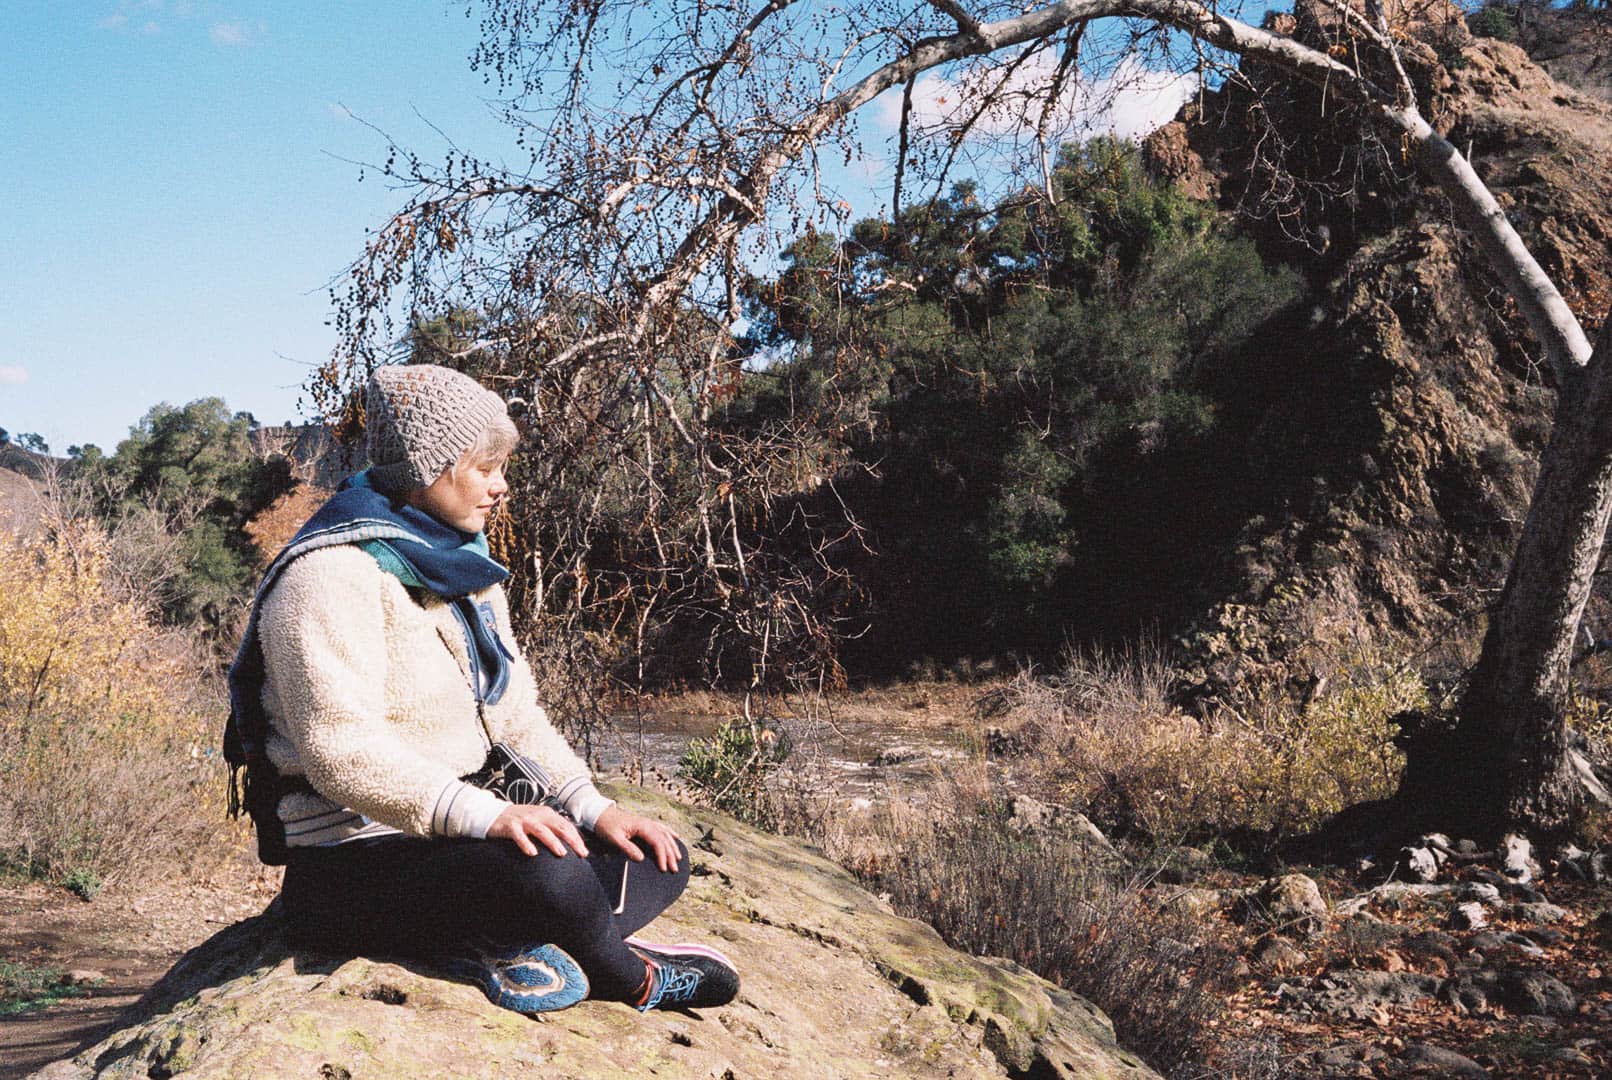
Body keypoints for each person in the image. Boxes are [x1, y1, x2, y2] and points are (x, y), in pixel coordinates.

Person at [226, 363, 739, 1014]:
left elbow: (515, 719)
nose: (501, 488)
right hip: (353, 863)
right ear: (430, 468)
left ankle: (493, 942)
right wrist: (492, 816)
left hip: (452, 844)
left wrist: (594, 808)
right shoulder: (327, 577)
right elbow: (341, 755)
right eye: (485, 467)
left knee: (658, 857)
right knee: (552, 876)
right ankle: (629, 976)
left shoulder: (462, 567)